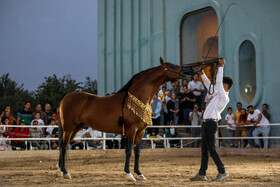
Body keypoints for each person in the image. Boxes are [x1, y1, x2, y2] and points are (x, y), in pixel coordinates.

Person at [190, 58, 232, 181]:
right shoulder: (217, 95)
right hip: (206, 124)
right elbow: (209, 85)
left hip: (211, 124)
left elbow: (217, 83)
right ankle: (202, 173)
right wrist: (202, 73)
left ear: (225, 86)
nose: (216, 84)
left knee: (211, 149)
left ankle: (222, 171)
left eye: (220, 84)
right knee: (205, 151)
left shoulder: (224, 97)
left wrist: (221, 67)